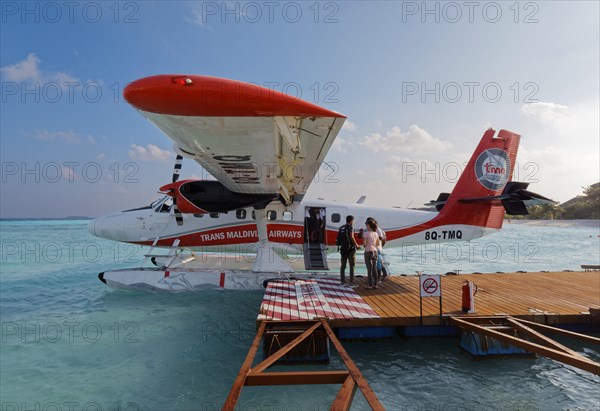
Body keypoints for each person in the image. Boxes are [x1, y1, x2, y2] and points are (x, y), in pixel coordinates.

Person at [337, 215, 360, 286]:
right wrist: (356, 245)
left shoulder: (341, 228)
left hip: (343, 249)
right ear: (352, 221)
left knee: (343, 266)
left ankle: (342, 281)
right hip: (351, 249)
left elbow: (339, 239)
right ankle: (351, 282)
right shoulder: (351, 227)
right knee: (352, 265)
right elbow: (351, 237)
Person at [363, 219, 381, 289]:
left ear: (369, 225)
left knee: (369, 269)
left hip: (368, 251)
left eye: (366, 225)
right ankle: (375, 284)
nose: (366, 226)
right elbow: (378, 243)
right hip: (375, 251)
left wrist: (365, 244)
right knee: (374, 269)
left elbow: (364, 244)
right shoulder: (376, 233)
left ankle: (370, 285)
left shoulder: (366, 233)